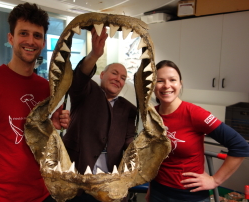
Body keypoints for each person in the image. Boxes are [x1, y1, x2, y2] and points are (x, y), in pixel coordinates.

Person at [0, 3, 70, 202]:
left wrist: (54, 126)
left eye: (37, 35)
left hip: (43, 195)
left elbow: (43, 143)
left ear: (43, 43)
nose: (30, 41)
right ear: (11, 38)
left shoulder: (47, 89)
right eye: (23, 33)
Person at [146, 60, 249, 202]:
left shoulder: (195, 114)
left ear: (180, 83)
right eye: (160, 81)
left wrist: (215, 180)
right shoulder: (152, 115)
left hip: (190, 195)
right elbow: (155, 158)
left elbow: (240, 146)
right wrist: (151, 189)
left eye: (172, 80)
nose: (167, 85)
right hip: (158, 191)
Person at [62, 27, 136, 202]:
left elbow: (128, 139)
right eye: (114, 73)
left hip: (109, 182)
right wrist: (94, 55)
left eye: (123, 78)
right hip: (78, 177)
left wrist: (138, 149)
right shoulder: (86, 92)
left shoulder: (128, 109)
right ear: (102, 74)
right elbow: (80, 76)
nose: (118, 79)